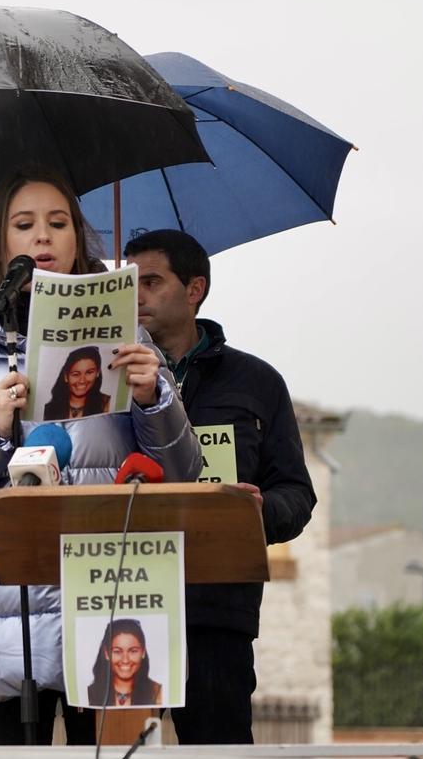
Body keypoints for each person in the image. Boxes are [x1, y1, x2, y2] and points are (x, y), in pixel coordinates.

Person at [0, 164, 201, 746]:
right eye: (24, 224)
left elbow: (183, 472)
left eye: (58, 222)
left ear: (78, 238)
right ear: (1, 243)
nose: (42, 237)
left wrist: (154, 398)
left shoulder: (131, 339)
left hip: (111, 597)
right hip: (0, 611)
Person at [124, 230, 316, 744]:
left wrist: (259, 512)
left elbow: (297, 493)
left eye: (152, 281)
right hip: (120, 599)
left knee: (218, 750)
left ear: (195, 290)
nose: (136, 294)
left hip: (215, 610)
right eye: (127, 282)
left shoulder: (257, 383)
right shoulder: (99, 378)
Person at [86, 619, 163, 707]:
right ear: (106, 653)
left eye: (133, 651)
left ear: (143, 652)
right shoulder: (90, 694)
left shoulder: (158, 693)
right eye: (117, 651)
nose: (125, 660)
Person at [43, 346, 110, 419]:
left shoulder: (107, 404)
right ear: (66, 376)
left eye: (89, 372)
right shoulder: (48, 409)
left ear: (97, 373)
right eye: (76, 374)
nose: (82, 380)